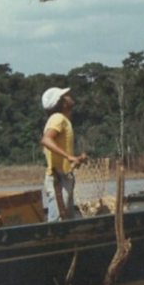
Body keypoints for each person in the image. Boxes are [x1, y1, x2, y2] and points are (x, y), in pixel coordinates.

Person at [40, 87, 87, 221]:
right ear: (62, 102)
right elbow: (46, 139)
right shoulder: (58, 118)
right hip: (58, 180)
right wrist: (69, 156)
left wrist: (75, 158)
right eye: (65, 96)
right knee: (57, 222)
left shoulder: (63, 120)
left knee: (66, 220)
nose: (69, 96)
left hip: (64, 177)